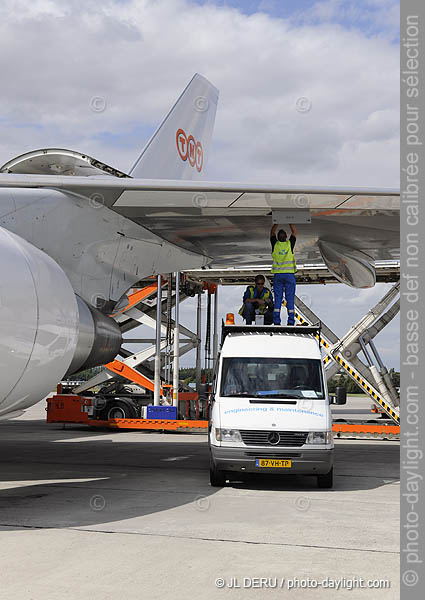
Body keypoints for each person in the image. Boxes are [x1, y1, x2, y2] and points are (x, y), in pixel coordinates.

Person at [270, 223, 297, 325]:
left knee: (278, 298)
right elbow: (294, 232)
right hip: (289, 275)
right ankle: (291, 321)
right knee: (289, 298)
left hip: (278, 275)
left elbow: (272, 232)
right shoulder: (289, 244)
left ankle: (276, 321)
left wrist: (277, 221)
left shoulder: (275, 245)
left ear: (277, 237)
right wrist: (290, 221)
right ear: (286, 237)